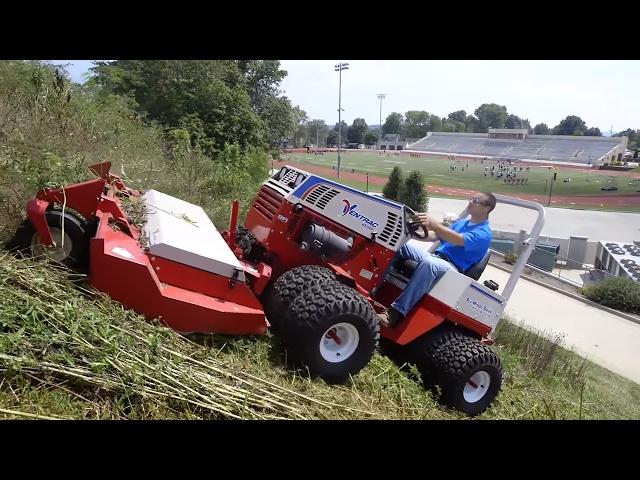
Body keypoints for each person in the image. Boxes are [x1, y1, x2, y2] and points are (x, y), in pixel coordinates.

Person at [378, 192, 496, 327]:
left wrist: (433, 223)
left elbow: (457, 239)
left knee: (430, 264)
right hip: (437, 257)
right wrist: (409, 232)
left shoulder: (484, 234)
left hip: (453, 268)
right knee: (398, 244)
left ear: (486, 208)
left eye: (475, 200)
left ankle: (395, 313)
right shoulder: (463, 223)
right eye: (471, 198)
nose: (470, 201)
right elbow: (436, 235)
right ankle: (375, 285)